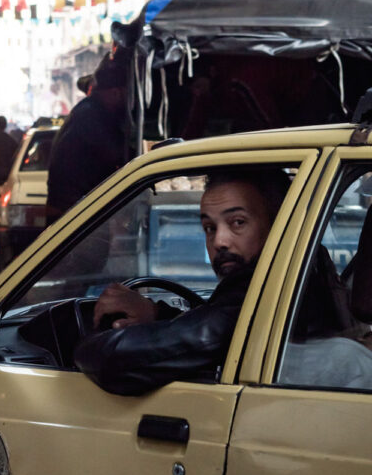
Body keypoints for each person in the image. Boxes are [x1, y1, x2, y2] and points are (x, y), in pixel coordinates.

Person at [74, 166, 290, 394]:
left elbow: (113, 361)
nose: (219, 241)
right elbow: (212, 331)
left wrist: (87, 344)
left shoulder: (260, 294)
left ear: (278, 224)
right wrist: (157, 315)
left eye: (238, 222)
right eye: (209, 227)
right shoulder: (296, 278)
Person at [46, 47, 134, 222]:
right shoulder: (92, 116)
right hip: (72, 216)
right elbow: (119, 157)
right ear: (115, 92)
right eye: (126, 94)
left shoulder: (90, 111)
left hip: (78, 210)